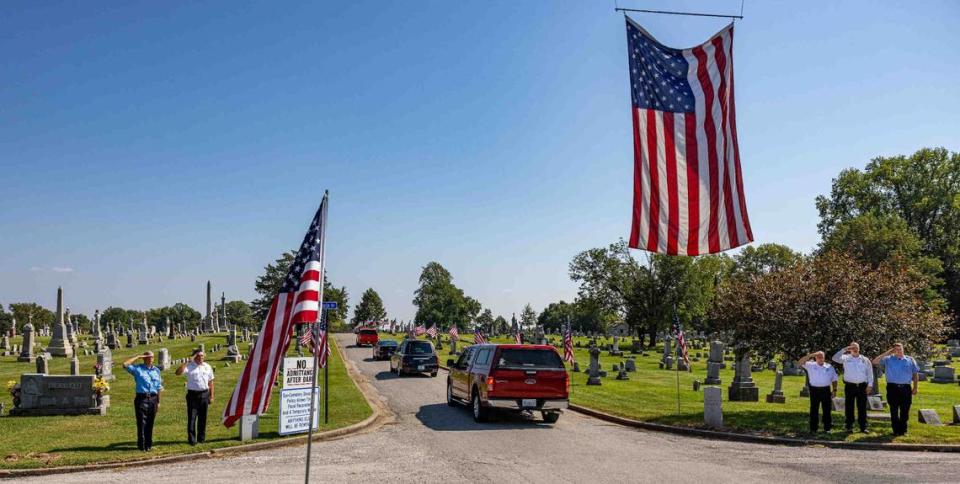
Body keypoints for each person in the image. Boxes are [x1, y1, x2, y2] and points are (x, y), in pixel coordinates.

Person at [872, 343, 920, 436]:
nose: (899, 351)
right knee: (893, 410)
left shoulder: (910, 360)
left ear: (903, 349)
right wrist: (888, 352)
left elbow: (915, 374)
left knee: (905, 410)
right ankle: (895, 430)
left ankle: (903, 430)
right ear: (893, 350)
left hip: (906, 388)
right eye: (896, 349)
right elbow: (874, 362)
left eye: (900, 349)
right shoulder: (888, 359)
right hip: (892, 388)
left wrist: (915, 387)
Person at [123, 351, 164, 451]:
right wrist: (138, 356)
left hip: (153, 398)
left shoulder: (156, 370)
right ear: (144, 358)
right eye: (148, 357)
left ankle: (148, 444)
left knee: (150, 422)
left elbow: (159, 387)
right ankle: (141, 445)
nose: (151, 359)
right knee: (141, 422)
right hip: (142, 398)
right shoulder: (138, 369)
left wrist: (158, 402)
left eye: (152, 357)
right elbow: (125, 365)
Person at [832, 342, 874, 433]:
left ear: (859, 348)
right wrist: (844, 349)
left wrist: (870, 385)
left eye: (856, 347)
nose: (855, 348)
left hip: (862, 386)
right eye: (852, 347)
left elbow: (870, 373)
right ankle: (849, 426)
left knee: (862, 407)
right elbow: (834, 358)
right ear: (850, 348)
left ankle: (863, 427)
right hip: (850, 386)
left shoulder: (865, 360)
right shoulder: (846, 358)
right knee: (849, 407)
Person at [176, 349, 215, 445]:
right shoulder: (189, 366)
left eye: (202, 355)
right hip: (193, 395)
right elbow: (178, 372)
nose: (201, 357)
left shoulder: (207, 366)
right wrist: (188, 361)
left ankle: (201, 439)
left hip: (205, 394)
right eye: (199, 355)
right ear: (194, 356)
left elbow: (211, 382)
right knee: (192, 418)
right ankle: (192, 440)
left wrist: (211, 396)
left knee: (203, 418)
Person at [798, 351, 838, 433]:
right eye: (818, 356)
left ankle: (827, 428)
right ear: (815, 358)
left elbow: (834, 379)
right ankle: (813, 429)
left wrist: (834, 390)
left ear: (824, 357)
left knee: (827, 410)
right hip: (814, 390)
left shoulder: (829, 367)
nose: (820, 358)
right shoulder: (810, 365)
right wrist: (811, 355)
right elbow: (800, 362)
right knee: (814, 409)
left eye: (822, 356)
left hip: (826, 390)